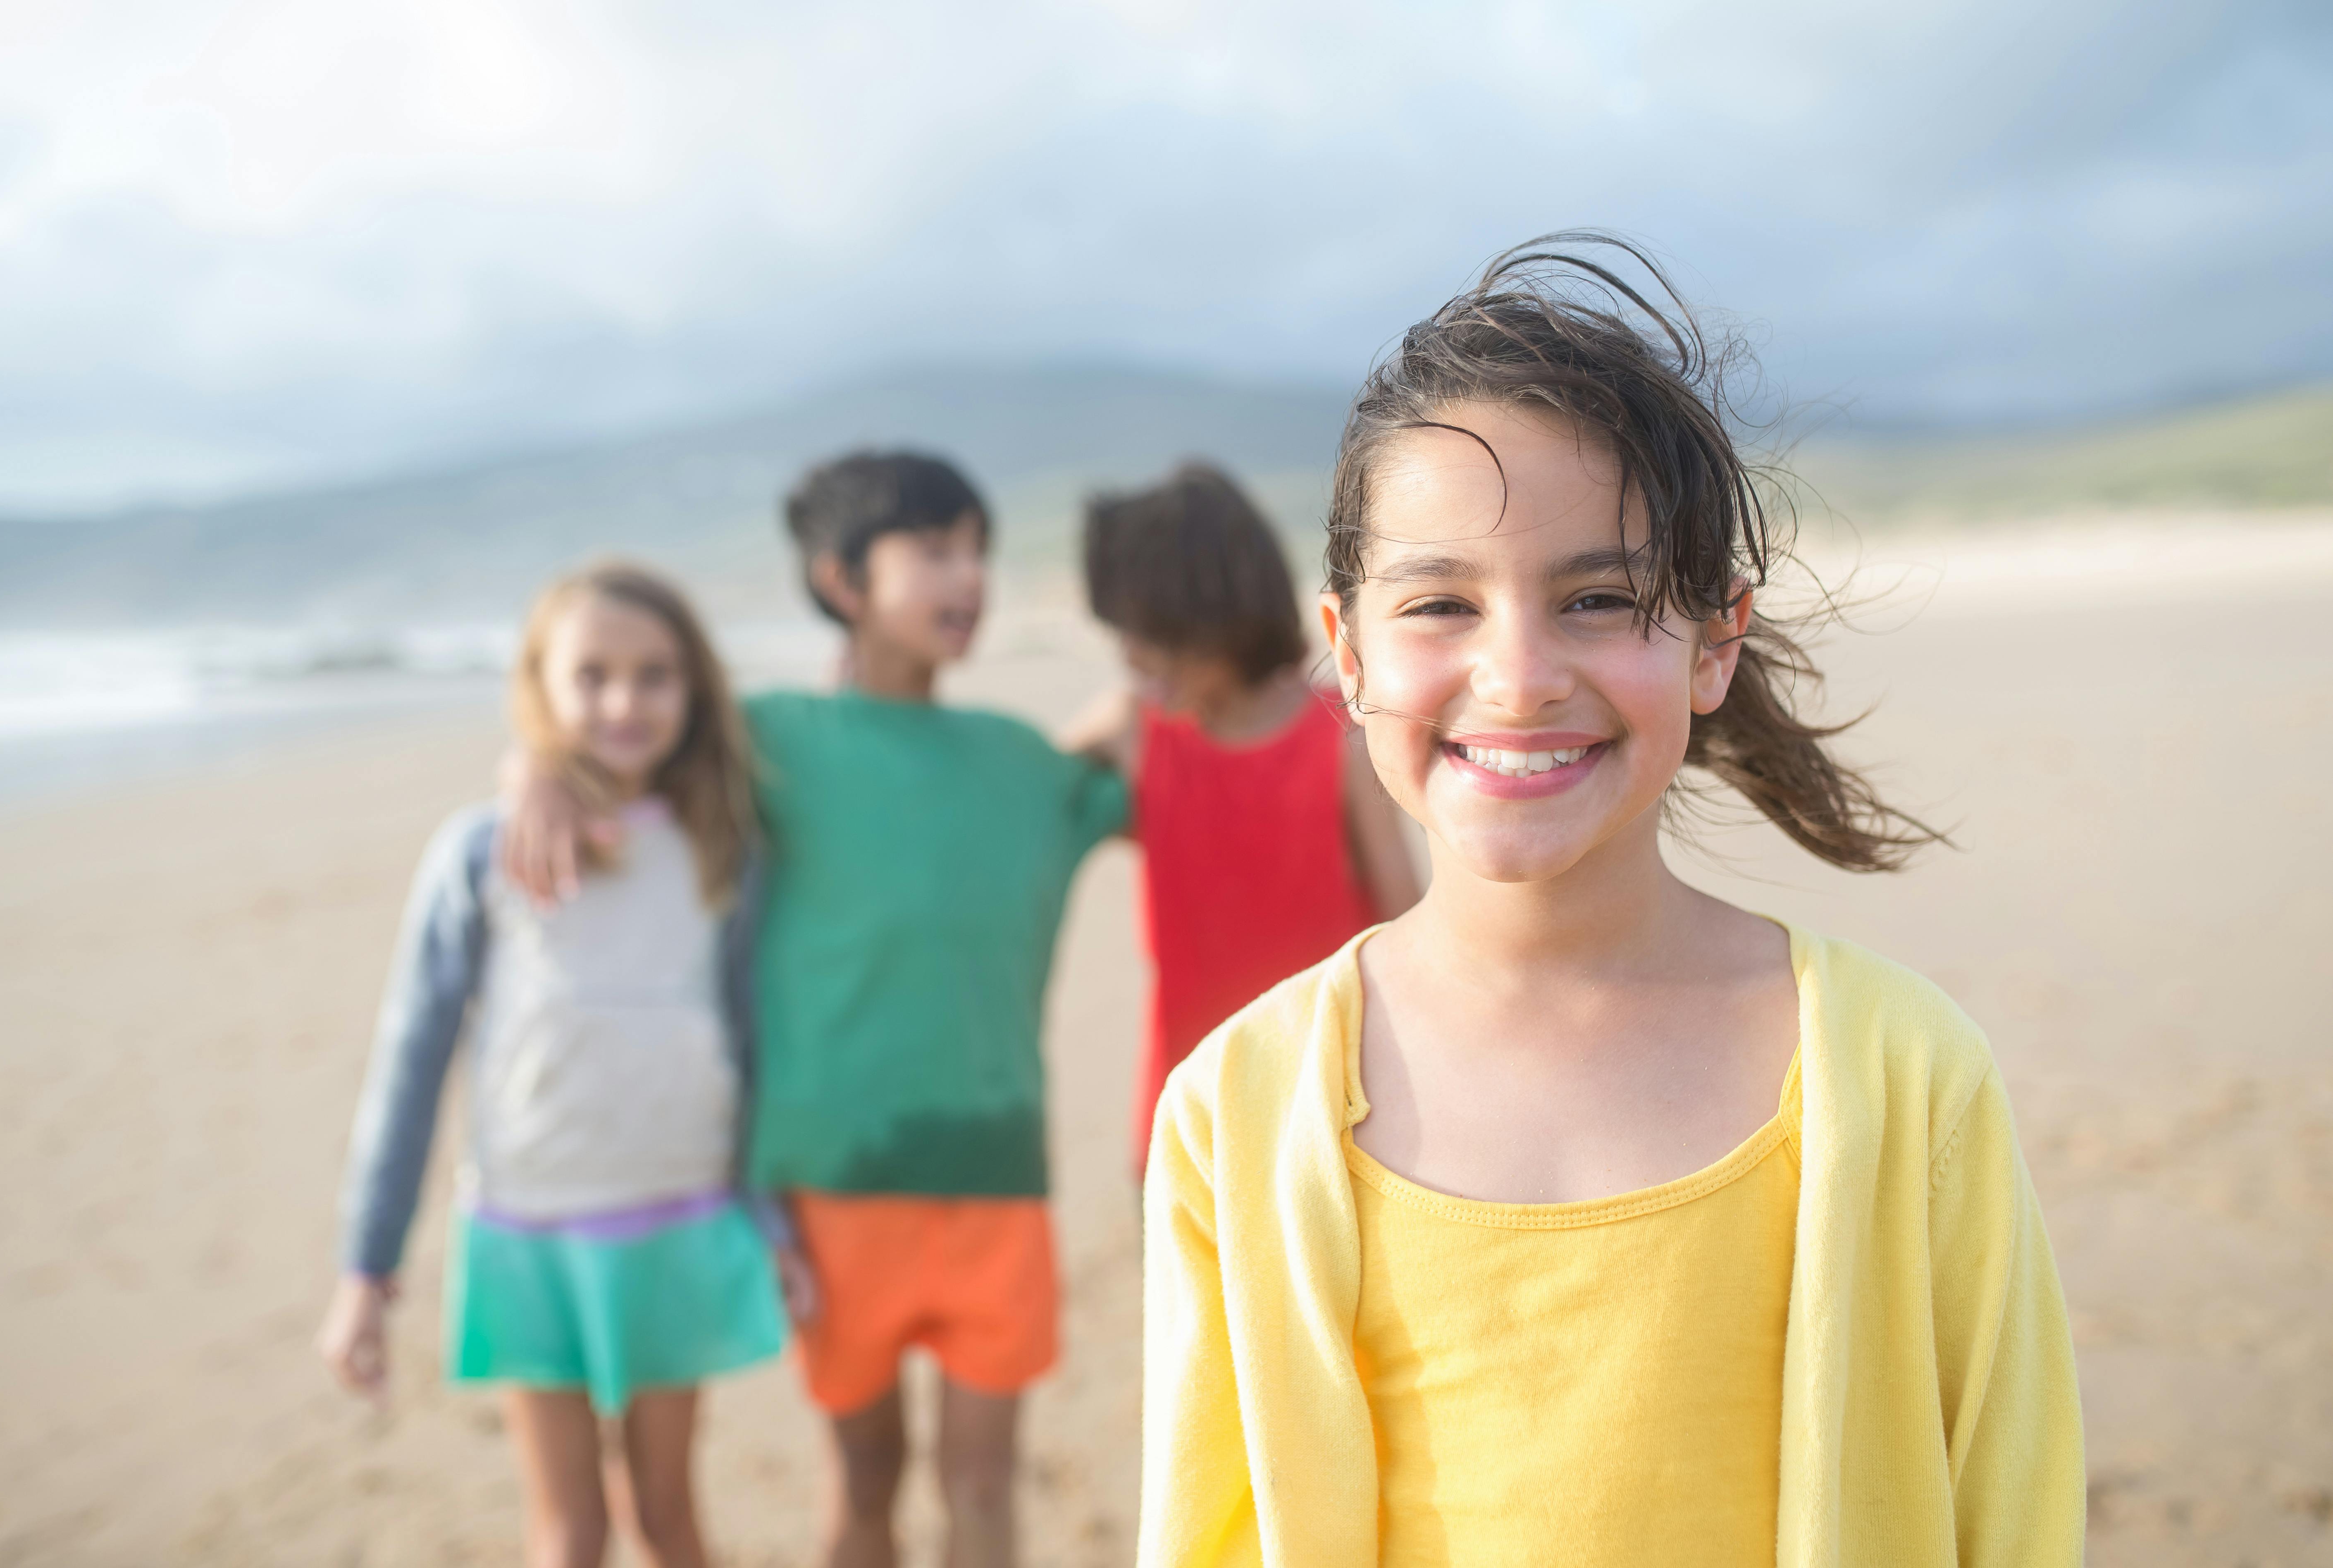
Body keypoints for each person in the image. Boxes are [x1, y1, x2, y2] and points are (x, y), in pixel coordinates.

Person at [1138, 234, 2086, 1567]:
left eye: (1597, 598)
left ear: (1714, 642)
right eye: (1439, 604)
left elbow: (2014, 1516)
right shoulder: (1234, 1111)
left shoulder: (1902, 1075)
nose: (1518, 676)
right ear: (1344, 653)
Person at [499, 453, 1128, 1568]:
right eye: (935, 549)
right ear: (841, 579)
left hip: (996, 1179)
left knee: (984, 1489)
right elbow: (615, 729)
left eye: (977, 549)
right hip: (831, 1193)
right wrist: (529, 772)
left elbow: (1172, 757)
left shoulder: (1020, 762)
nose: (969, 575)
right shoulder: (766, 741)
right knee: (864, 1479)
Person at [318, 562, 808, 1568]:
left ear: (695, 688)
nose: (625, 702)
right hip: (525, 1228)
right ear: (539, 685)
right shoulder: (480, 851)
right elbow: (414, 1059)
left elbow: (755, 1044)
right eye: (592, 676)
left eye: (655, 674)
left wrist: (773, 1214)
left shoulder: (727, 847)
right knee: (570, 1532)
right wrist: (368, 1267)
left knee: (669, 1518)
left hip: (680, 1217)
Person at [1069, 463, 1420, 1173]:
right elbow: (1015, 792)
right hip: (1187, 1111)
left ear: (1212, 613)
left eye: (1148, 633)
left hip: (1333, 1110)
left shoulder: (1341, 739)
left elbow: (1408, 922)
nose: (1131, 656)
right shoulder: (1135, 731)